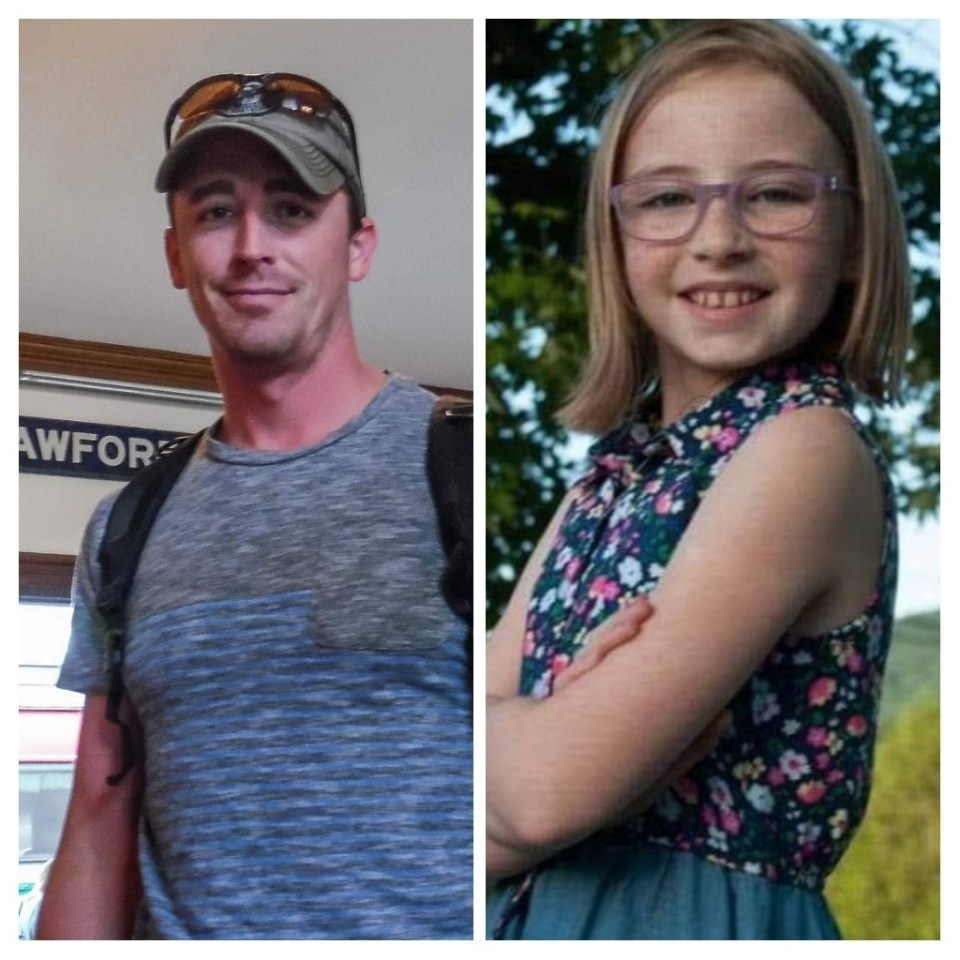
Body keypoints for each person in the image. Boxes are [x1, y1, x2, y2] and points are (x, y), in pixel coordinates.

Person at [487, 19, 911, 939]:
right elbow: (438, 782)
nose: (718, 239)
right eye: (669, 197)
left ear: (850, 239)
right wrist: (537, 741)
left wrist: (531, 743)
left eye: (772, 194)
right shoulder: (611, 475)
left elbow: (542, 795)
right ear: (619, 236)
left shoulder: (807, 451)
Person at [38, 72, 472, 940]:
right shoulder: (125, 529)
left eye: (291, 209)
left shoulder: (461, 466)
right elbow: (96, 815)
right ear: (175, 255)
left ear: (357, 244)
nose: (250, 247)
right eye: (214, 212)